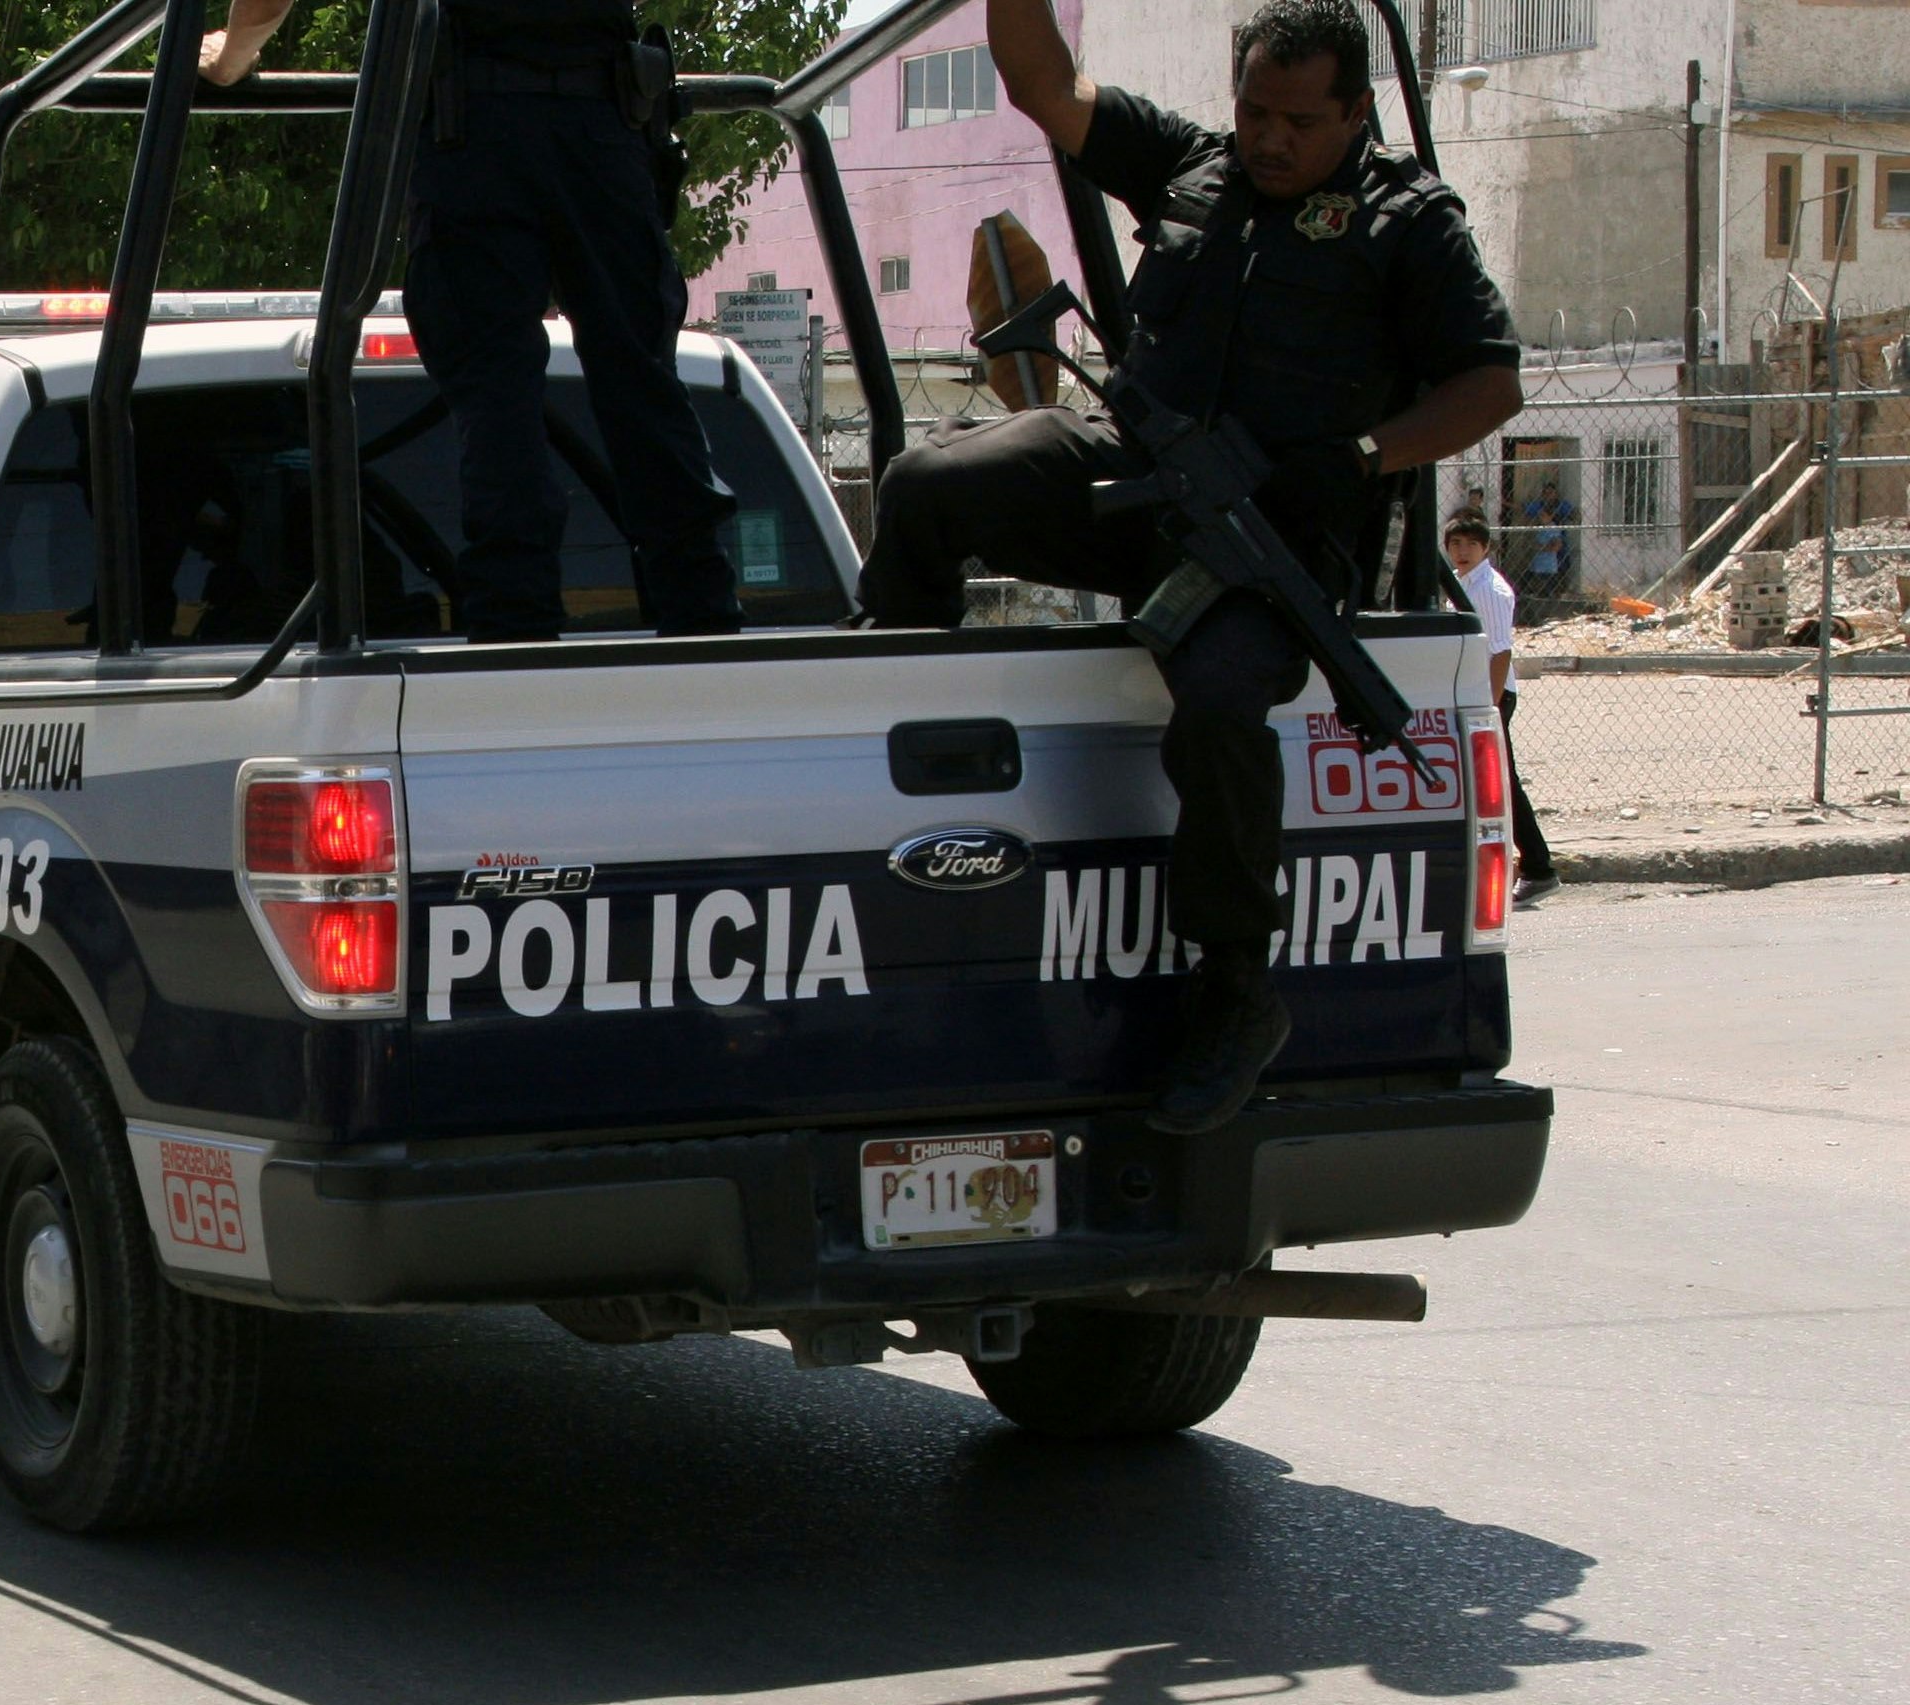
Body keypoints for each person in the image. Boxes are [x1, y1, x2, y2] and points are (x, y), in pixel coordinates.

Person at [850, 0, 1521, 1133]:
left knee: (1215, 698)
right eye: (1254, 110)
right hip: (1140, 483)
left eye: (1297, 121)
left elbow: (1490, 383)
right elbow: (1041, 85)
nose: (1268, 138)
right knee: (927, 486)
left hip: (1272, 539)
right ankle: (879, 744)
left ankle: (1236, 987)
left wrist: (1358, 457)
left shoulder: (1409, 222)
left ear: (1353, 111)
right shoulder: (1192, 168)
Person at [205, 0, 741, 640]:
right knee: (642, 382)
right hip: (605, 128)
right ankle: (701, 612)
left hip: (476, 136)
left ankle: (516, 624)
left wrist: (230, 57)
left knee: (496, 398)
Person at [1442, 510, 1557, 903]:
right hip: (1472, 693)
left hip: (1490, 696)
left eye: (1471, 545)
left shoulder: (1489, 589)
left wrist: (1489, 709)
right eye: (1456, 544)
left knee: (1502, 783)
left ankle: (1539, 868)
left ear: (1485, 548)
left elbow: (1500, 652)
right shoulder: (1461, 583)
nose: (1462, 551)